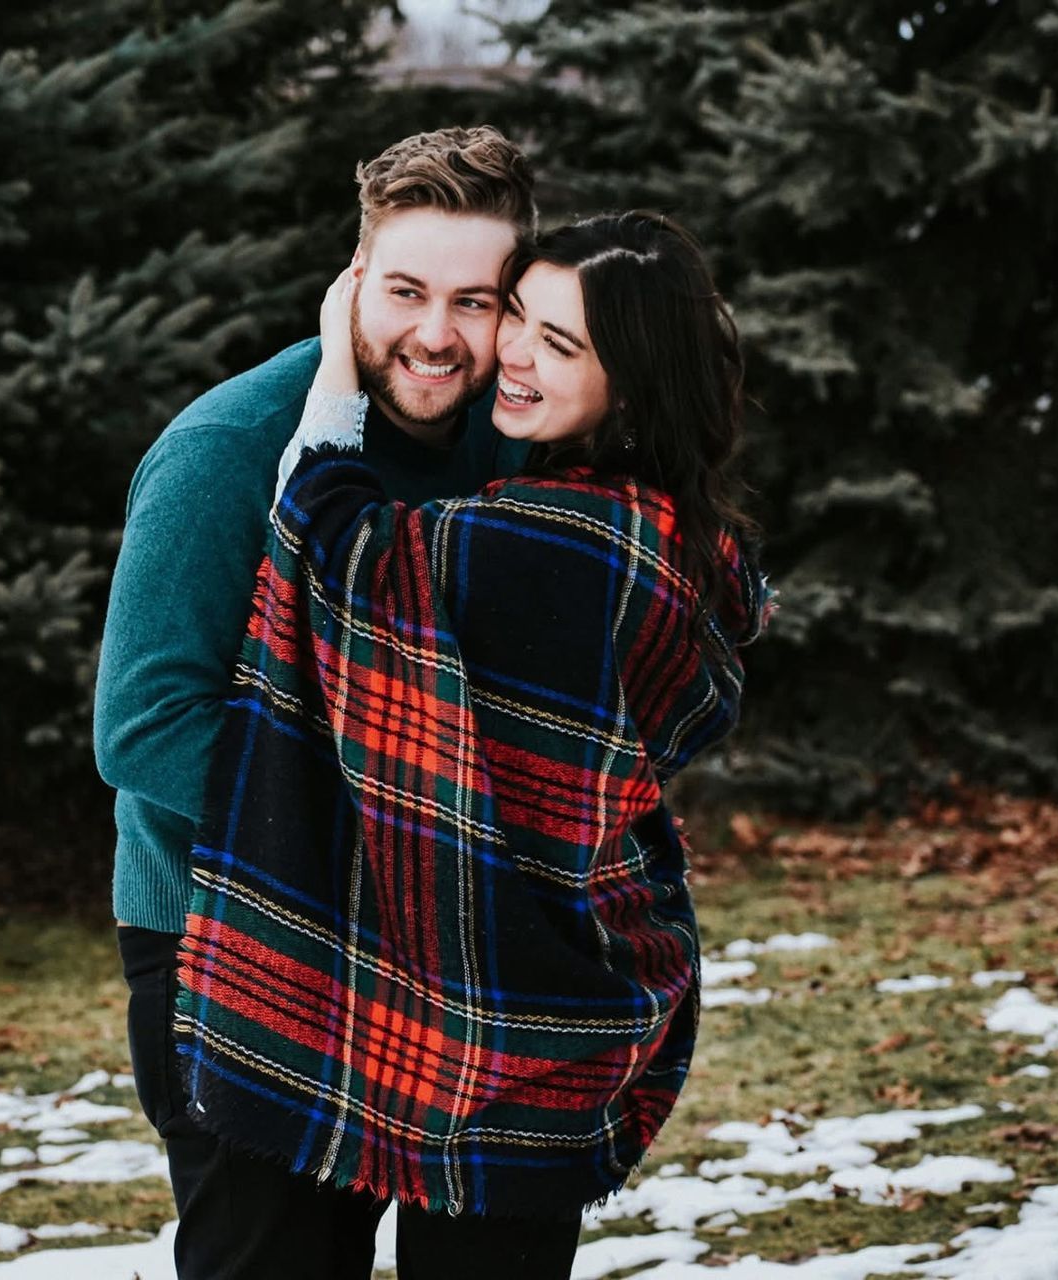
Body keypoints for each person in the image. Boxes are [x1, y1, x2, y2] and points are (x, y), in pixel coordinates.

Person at [173, 211, 776, 1277]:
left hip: (501, 986)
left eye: (562, 343)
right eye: (522, 318)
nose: (512, 352)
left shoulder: (555, 541)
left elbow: (330, 530)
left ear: (631, 385)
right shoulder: (671, 531)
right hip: (552, 979)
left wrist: (336, 376)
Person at [91, 125, 539, 1279]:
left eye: (474, 300)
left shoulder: (517, 450)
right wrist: (392, 829)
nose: (436, 334)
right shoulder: (227, 448)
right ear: (352, 282)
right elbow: (142, 723)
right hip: (236, 933)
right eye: (404, 290)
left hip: (451, 941)